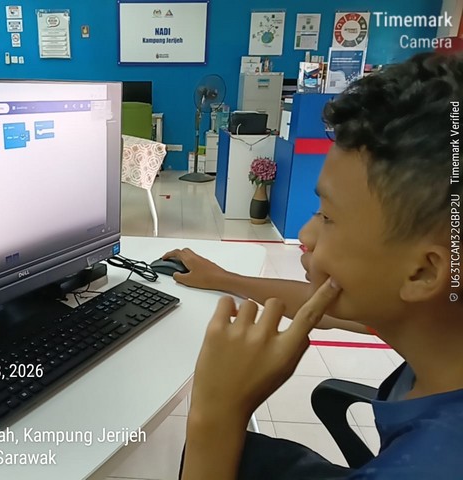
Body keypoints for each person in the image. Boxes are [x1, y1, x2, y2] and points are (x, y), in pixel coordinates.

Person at [167, 52, 463, 479]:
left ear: (424, 272)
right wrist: (222, 277)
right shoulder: (438, 318)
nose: (305, 235)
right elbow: (317, 305)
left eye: (327, 217)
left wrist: (214, 413)